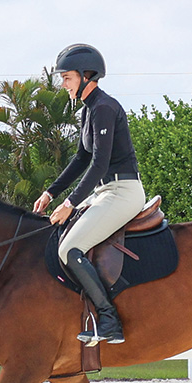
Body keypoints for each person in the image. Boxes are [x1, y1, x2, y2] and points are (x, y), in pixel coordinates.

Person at [33, 44, 146, 345]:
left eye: (67, 77)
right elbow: (82, 159)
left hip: (123, 191)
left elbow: (100, 163)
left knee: (70, 249)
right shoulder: (88, 111)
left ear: (86, 76)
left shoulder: (105, 108)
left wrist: (70, 204)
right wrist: (50, 192)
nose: (63, 84)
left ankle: (109, 320)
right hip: (105, 191)